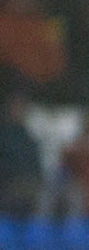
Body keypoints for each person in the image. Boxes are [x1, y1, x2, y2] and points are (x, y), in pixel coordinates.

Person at [0, 0, 64, 95]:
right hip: (10, 84)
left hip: (41, 84)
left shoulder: (46, 23)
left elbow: (57, 57)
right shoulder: (3, 21)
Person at [0, 88, 43, 216]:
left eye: (22, 107)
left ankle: (41, 234)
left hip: (30, 186)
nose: (20, 111)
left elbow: (37, 167)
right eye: (16, 107)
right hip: (8, 186)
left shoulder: (28, 137)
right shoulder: (3, 136)